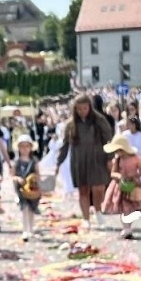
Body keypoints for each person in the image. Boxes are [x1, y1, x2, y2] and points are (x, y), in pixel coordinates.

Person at [57, 92, 115, 225]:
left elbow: (108, 139)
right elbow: (65, 145)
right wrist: (58, 162)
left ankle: (98, 211)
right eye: (79, 109)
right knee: (83, 190)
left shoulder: (99, 120)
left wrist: (110, 158)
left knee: (98, 188)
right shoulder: (71, 125)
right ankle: (86, 218)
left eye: (85, 108)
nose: (82, 111)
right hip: (79, 160)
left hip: (97, 158)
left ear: (90, 107)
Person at [101, 136, 141, 237]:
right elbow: (113, 173)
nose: (117, 152)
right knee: (124, 208)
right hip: (121, 186)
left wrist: (135, 176)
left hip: (133, 185)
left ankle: (128, 227)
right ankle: (126, 228)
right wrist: (119, 176)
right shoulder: (117, 159)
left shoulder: (136, 158)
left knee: (130, 208)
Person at [10, 134, 42, 240]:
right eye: (22, 146)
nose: (24, 149)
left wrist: (35, 178)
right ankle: (25, 230)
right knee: (24, 208)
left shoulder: (34, 160)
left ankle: (31, 229)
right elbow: (12, 175)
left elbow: (38, 173)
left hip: (32, 188)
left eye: (27, 146)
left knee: (32, 209)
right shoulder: (16, 161)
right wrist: (17, 179)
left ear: (31, 147)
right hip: (21, 189)